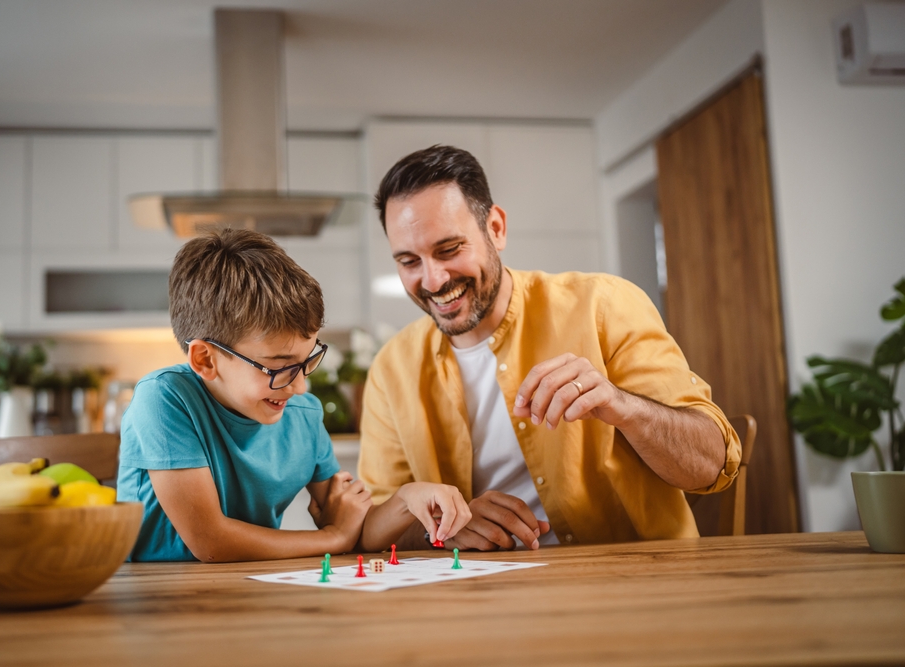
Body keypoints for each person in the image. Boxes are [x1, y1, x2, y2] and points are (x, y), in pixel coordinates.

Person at [358, 145, 742, 551]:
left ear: (497, 228)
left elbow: (710, 465)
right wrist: (441, 528)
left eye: (449, 250)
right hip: (481, 599)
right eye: (408, 261)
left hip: (629, 587)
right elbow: (376, 525)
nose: (433, 280)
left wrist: (622, 406)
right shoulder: (392, 367)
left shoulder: (604, 306)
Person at [117, 228, 470, 562]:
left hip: (253, 589)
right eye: (278, 367)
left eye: (307, 361)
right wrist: (332, 539)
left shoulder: (301, 413)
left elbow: (356, 530)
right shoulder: (163, 399)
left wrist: (408, 499)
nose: (300, 386)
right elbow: (210, 542)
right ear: (205, 359)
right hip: (158, 597)